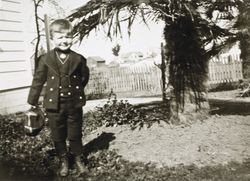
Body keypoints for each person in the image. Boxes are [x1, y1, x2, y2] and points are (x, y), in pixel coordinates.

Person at [27, 19, 89, 177]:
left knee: (75, 133)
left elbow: (83, 78)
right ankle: (63, 160)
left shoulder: (79, 59)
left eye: (68, 37)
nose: (64, 40)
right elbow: (38, 81)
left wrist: (76, 92)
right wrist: (32, 102)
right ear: (52, 39)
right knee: (57, 134)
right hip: (53, 105)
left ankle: (78, 159)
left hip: (74, 103)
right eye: (60, 37)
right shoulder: (45, 59)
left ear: (73, 38)